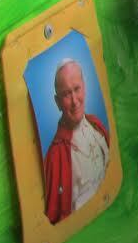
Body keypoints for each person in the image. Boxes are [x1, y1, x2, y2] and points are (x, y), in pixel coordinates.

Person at [41, 58, 110, 224]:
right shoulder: (55, 156)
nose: (74, 101)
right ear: (58, 103)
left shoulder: (96, 125)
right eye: (66, 94)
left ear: (84, 88)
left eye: (77, 89)